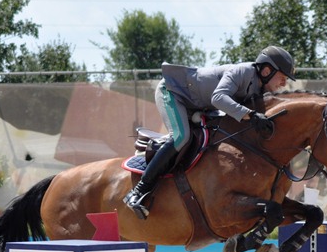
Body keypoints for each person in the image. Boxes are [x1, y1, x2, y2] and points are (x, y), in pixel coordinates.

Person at [123, 45, 297, 219]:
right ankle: (139, 191)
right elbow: (218, 97)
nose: (284, 83)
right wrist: (250, 115)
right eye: (282, 77)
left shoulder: (260, 89)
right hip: (173, 93)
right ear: (267, 71)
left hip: (201, 106)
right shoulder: (241, 72)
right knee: (181, 137)